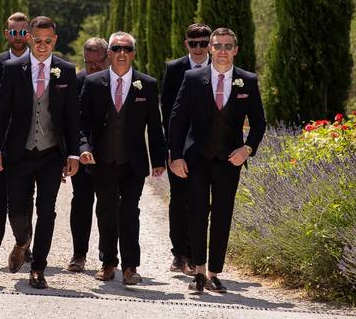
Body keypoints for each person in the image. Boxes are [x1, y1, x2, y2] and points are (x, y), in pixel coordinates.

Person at [169, 27, 266, 294]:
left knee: (223, 215)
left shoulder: (247, 81)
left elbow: (259, 123)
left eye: (227, 46)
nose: (222, 51)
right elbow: (177, 120)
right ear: (210, 49)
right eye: (217, 46)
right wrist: (175, 156)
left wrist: (247, 149)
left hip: (228, 161)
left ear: (235, 50)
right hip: (196, 160)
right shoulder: (192, 78)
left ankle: (214, 273)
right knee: (197, 214)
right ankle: (198, 271)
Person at [0, 16, 80, 289]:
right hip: (19, 151)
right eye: (37, 40)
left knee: (47, 210)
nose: (42, 46)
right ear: (29, 38)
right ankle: (21, 242)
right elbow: (1, 111)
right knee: (16, 209)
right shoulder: (13, 68)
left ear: (55, 40)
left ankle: (38, 268)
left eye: (47, 41)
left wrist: (73, 153)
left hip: (51, 153)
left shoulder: (66, 70)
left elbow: (72, 117)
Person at [79, 32, 166, 286]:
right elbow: (81, 122)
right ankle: (108, 263)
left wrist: (159, 159)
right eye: (116, 48)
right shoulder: (93, 83)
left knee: (129, 212)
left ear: (133, 54)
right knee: (105, 212)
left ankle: (130, 267)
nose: (121, 53)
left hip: (133, 163)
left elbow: (155, 125)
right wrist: (83, 147)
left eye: (126, 49)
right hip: (102, 161)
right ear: (109, 53)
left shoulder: (146, 85)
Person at [158, 23, 211, 275]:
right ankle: (179, 254)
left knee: (201, 203)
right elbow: (167, 112)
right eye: (194, 43)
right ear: (186, 44)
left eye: (203, 42)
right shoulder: (175, 68)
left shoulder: (220, 67)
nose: (199, 48)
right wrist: (171, 150)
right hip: (180, 147)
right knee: (179, 200)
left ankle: (195, 254)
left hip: (210, 149)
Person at [0, 12, 31, 267]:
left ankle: (24, 244)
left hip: (30, 143)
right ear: (6, 34)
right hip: (2, 141)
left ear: (29, 34)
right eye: (14, 32)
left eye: (22, 32)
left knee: (24, 196)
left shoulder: (40, 64)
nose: (18, 37)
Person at [67, 36, 109, 272]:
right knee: (81, 202)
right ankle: (79, 253)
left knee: (106, 205)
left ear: (108, 58)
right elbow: (70, 120)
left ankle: (106, 254)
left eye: (97, 62)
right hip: (82, 152)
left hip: (110, 154)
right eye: (88, 62)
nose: (92, 67)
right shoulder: (78, 80)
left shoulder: (116, 80)